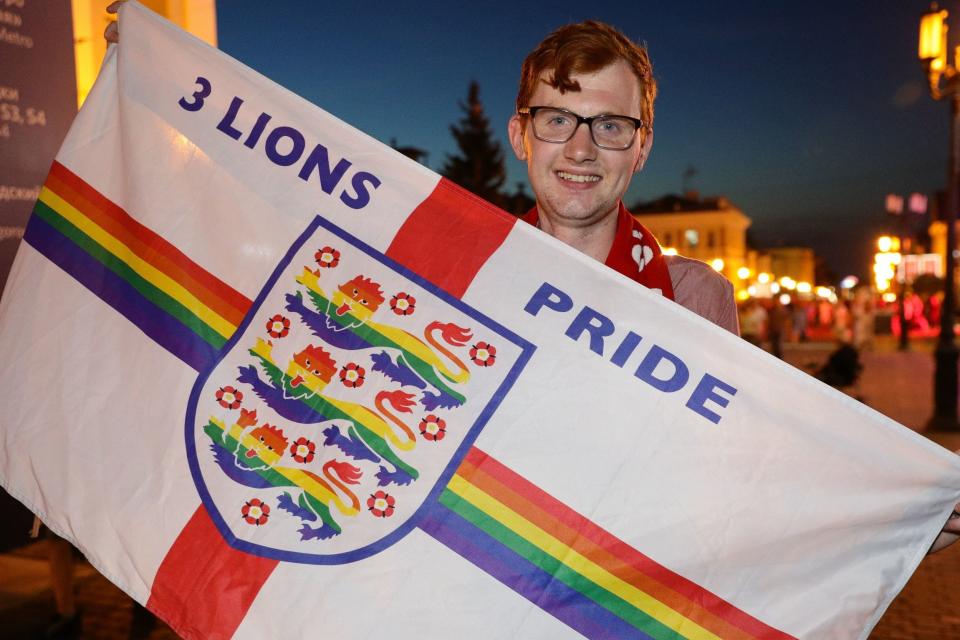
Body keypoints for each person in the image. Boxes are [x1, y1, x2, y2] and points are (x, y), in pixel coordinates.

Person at [104, 4, 960, 555]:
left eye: (610, 124)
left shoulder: (695, 297)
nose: (581, 149)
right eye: (559, 118)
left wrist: (890, 510)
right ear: (520, 134)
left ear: (643, 145)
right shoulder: (446, 281)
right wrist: (152, 93)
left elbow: (736, 472)